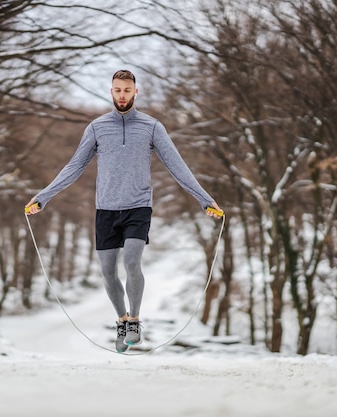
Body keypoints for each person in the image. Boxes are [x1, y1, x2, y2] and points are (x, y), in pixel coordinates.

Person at [25, 69, 223, 352]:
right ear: (111, 91)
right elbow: (74, 166)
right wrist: (42, 198)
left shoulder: (152, 127)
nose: (122, 95)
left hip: (138, 207)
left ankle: (135, 321)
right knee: (107, 272)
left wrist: (205, 199)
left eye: (127, 90)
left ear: (135, 92)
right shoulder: (96, 128)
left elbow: (177, 166)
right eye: (117, 90)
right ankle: (122, 320)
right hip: (105, 208)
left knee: (131, 261)